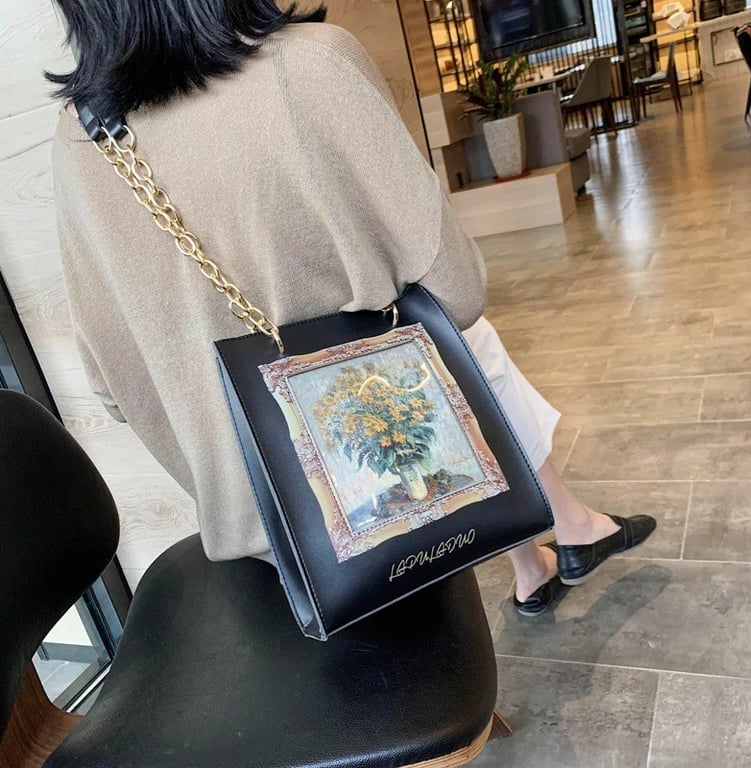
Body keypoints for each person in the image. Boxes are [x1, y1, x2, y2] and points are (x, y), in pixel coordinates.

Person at [49, 0, 655, 617]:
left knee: (464, 351)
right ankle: (568, 527)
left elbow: (111, 389)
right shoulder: (312, 62)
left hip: (257, 531)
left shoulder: (80, 139)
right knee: (464, 345)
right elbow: (460, 290)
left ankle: (541, 556)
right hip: (366, 513)